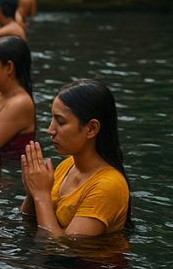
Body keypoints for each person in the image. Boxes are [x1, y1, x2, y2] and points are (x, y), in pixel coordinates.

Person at [20, 79, 131, 237]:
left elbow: (63, 247)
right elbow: (27, 220)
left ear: (91, 128)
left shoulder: (109, 187)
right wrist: (32, 191)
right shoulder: (68, 165)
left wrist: (41, 195)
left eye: (60, 122)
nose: (50, 130)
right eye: (52, 119)